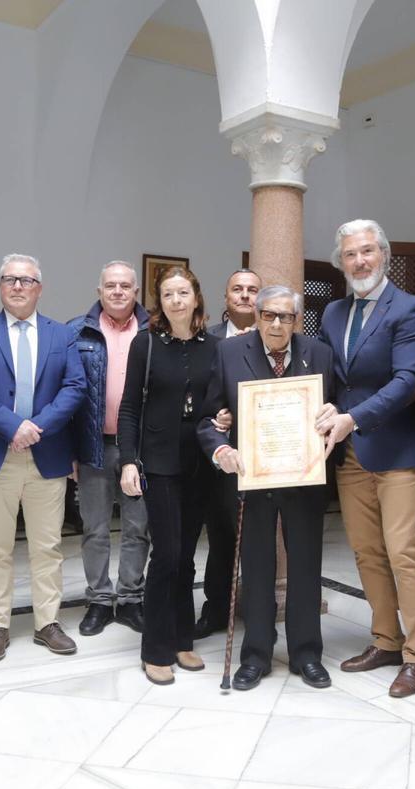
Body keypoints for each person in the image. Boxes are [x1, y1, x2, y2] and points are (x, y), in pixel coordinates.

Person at [315, 219, 415, 698]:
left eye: (367, 251)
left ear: (384, 254)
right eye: (350, 254)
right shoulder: (333, 312)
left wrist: (353, 418)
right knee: (366, 551)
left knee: (403, 552)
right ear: (340, 262)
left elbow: (408, 381)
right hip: (350, 453)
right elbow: (328, 375)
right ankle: (386, 640)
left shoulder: (408, 309)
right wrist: (324, 407)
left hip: (396, 452)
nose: (360, 261)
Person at [198, 286, 335, 691]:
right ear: (257, 316)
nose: (277, 324)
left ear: (297, 320)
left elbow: (337, 406)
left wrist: (334, 412)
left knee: (305, 567)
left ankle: (306, 653)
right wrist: (220, 448)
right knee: (256, 568)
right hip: (252, 481)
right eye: (269, 315)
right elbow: (208, 418)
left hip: (303, 479)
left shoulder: (319, 354)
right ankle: (256, 654)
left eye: (286, 316)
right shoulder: (228, 353)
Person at [0, 254, 86, 663]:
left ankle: (48, 623)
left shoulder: (61, 334)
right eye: (9, 279)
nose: (17, 286)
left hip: (46, 453)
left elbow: (75, 386)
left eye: (26, 280)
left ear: (39, 289)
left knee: (47, 546)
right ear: (0, 286)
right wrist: (13, 426)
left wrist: (36, 427)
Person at [116, 267, 218, 684]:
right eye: (168, 294)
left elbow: (220, 400)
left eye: (183, 293)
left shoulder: (214, 347)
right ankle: (155, 648)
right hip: (158, 464)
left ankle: (182, 639)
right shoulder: (146, 343)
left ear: (196, 297)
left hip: (200, 463)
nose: (177, 300)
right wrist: (128, 460)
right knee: (166, 554)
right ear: (160, 302)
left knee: (187, 556)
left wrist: (225, 416)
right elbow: (128, 408)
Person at [69, 261, 150, 636]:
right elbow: (68, 395)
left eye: (125, 286)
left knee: (138, 528)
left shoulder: (153, 332)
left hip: (141, 449)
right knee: (95, 528)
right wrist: (71, 449)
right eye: (111, 285)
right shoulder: (77, 332)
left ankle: (131, 598)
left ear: (136, 291)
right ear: (99, 290)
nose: (118, 291)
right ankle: (99, 600)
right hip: (94, 446)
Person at [196, 268, 263, 638]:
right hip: (221, 457)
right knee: (221, 538)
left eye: (252, 289)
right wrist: (215, 416)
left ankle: (256, 612)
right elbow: (199, 398)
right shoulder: (208, 341)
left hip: (265, 457)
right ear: (226, 297)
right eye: (237, 289)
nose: (245, 295)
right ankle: (216, 609)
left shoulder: (276, 337)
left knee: (257, 541)